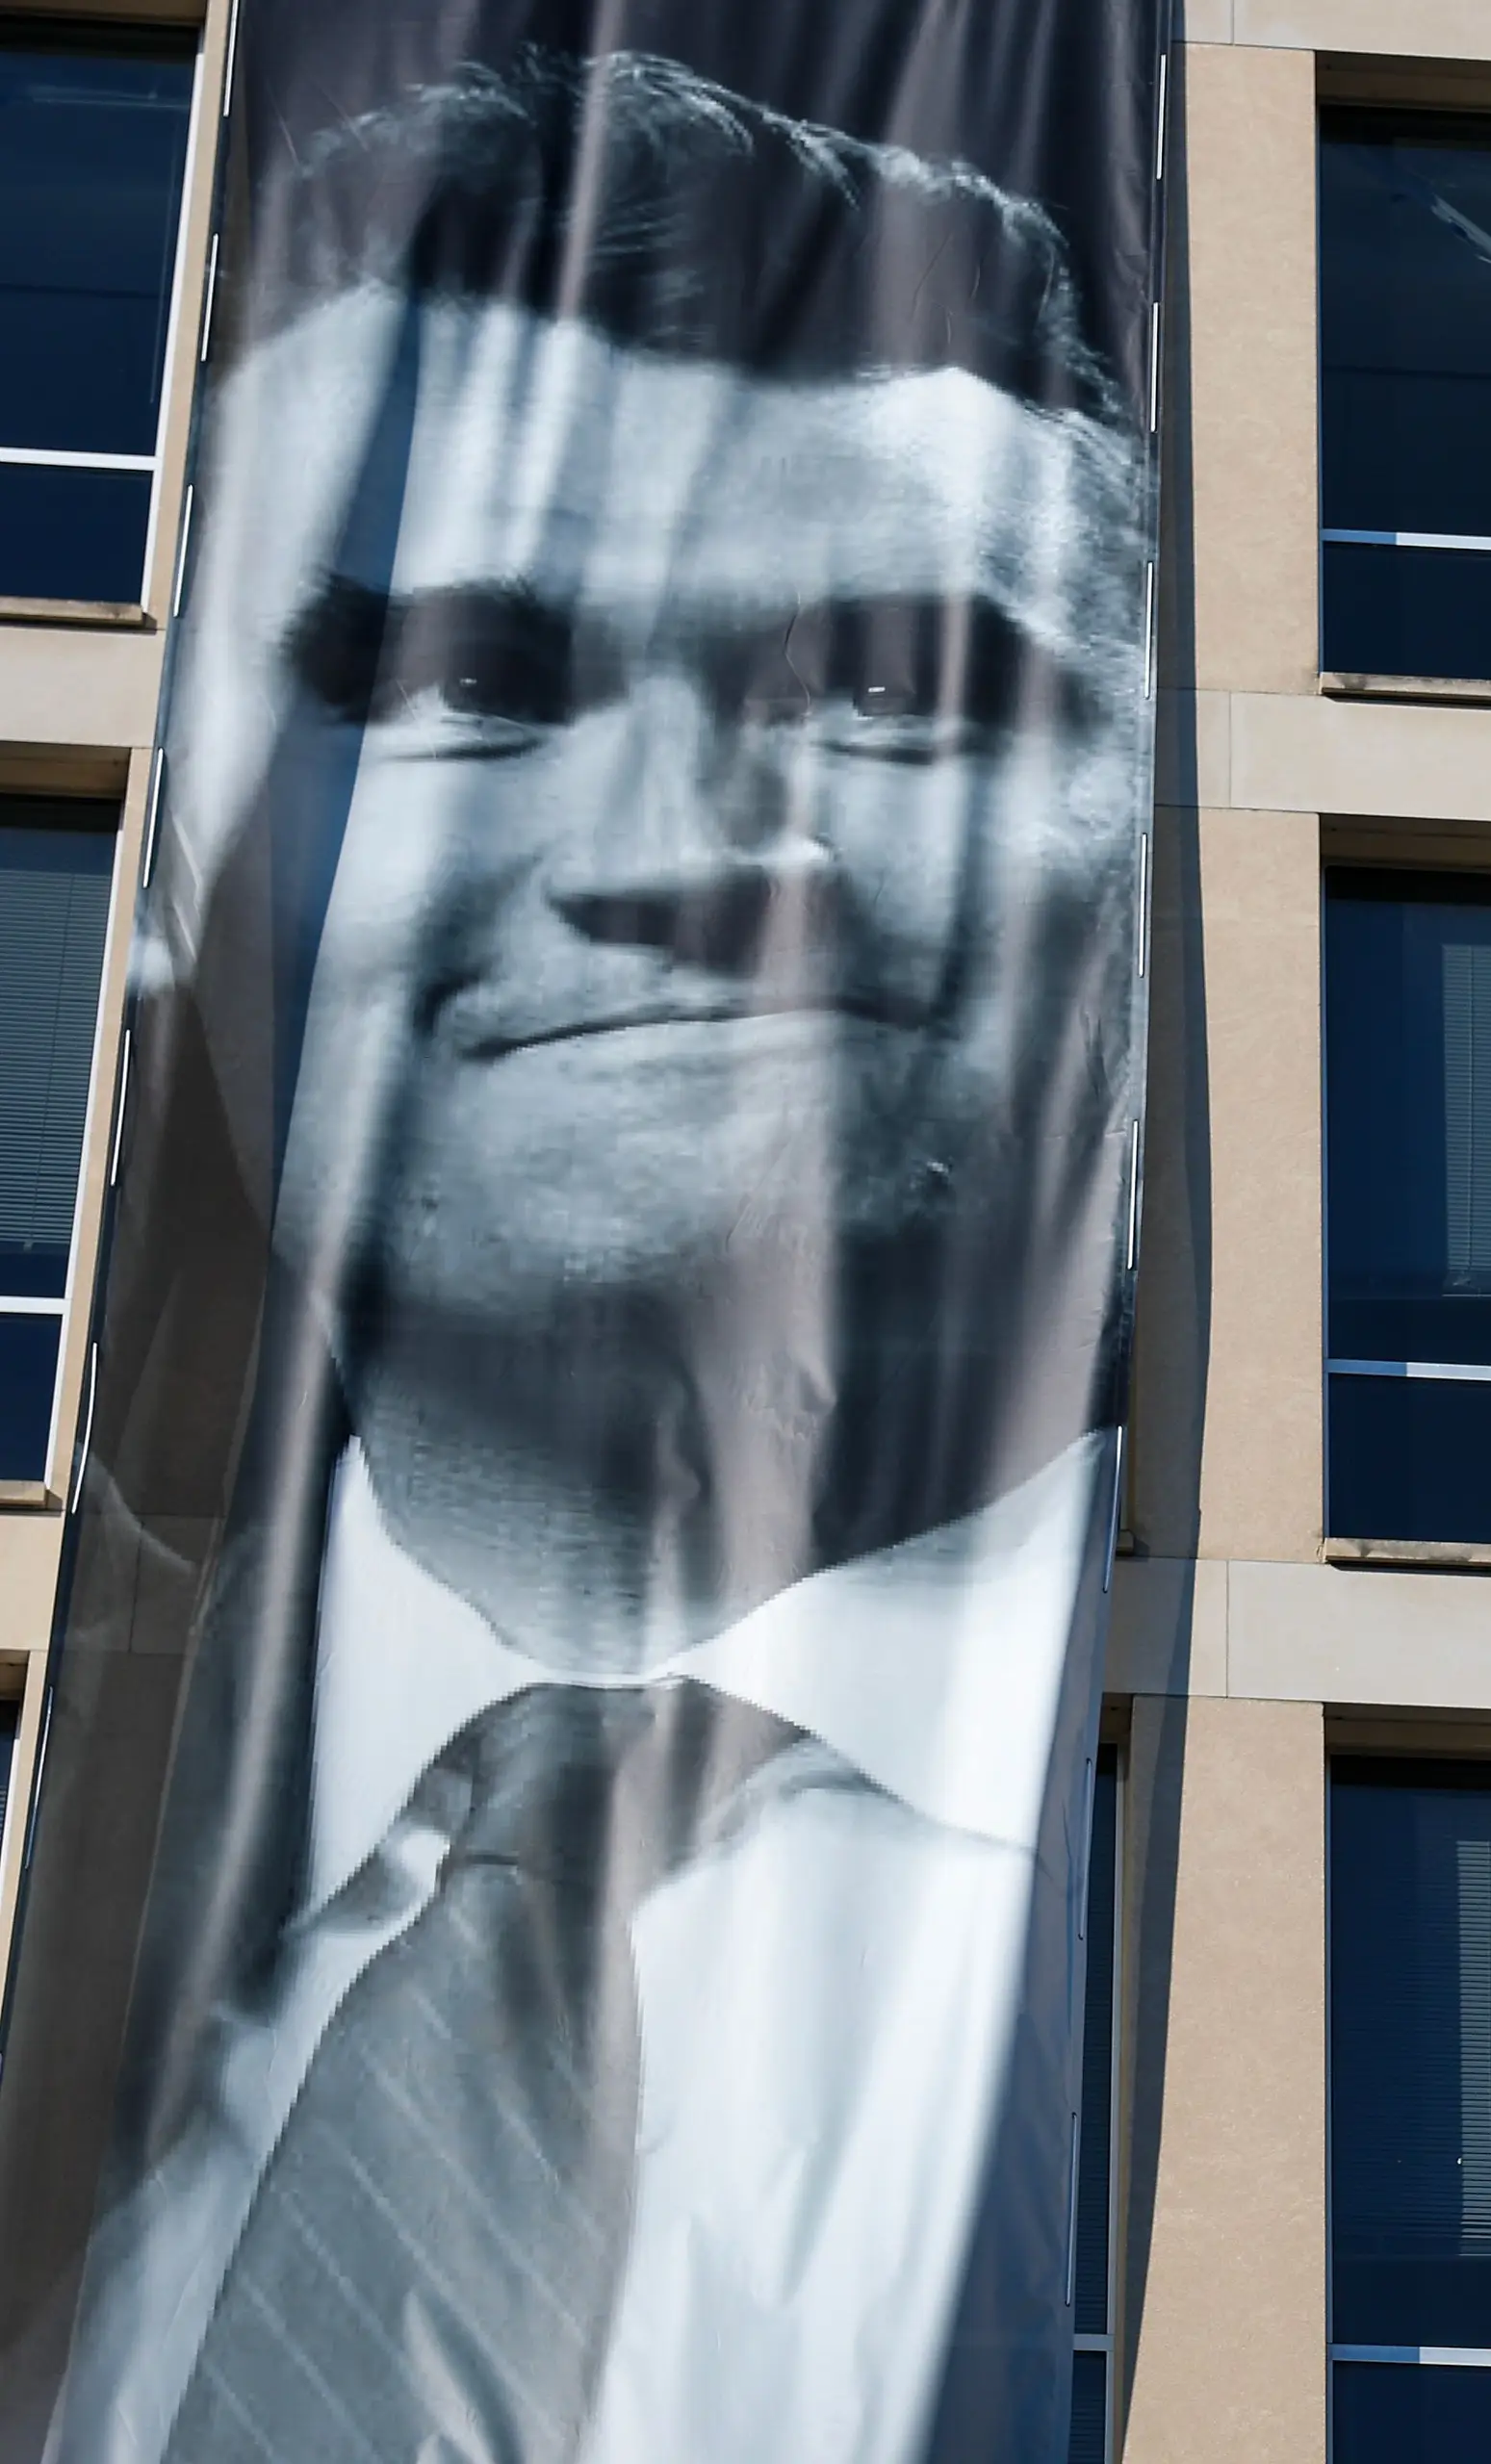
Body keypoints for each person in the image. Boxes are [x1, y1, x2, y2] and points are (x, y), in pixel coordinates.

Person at [32, 46, 1151, 2464]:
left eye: (882, 686)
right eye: (456, 682)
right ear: (168, 900)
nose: (679, 848)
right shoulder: (92, 1823)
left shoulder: (1379, 1922)